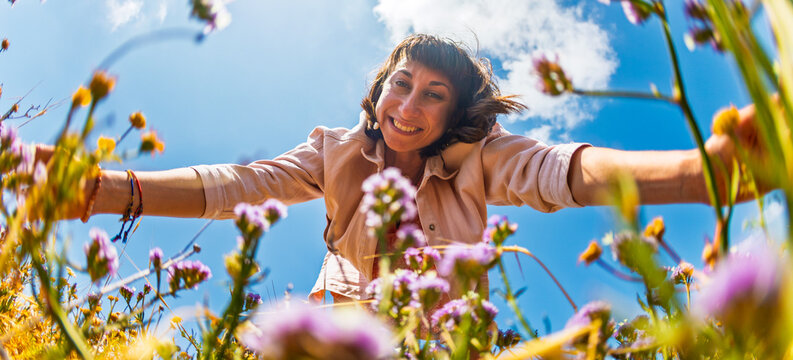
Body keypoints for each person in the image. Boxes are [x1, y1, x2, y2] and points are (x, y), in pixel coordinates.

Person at [34, 34, 758, 303]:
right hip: (337, 320)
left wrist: (704, 172)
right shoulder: (333, 150)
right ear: (379, 90)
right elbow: (239, 186)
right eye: (400, 84)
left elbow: (567, 172)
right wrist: (97, 190)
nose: (407, 105)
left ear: (454, 115)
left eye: (433, 94)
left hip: (435, 336)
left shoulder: (486, 157)